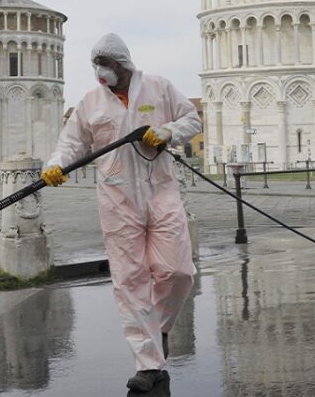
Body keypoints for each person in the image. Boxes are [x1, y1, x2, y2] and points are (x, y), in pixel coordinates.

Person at [41, 33, 201, 392]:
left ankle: (157, 327)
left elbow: (192, 120)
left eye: (107, 66)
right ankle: (148, 364)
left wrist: (167, 132)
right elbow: (71, 143)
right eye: (97, 66)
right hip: (117, 199)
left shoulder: (158, 88)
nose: (101, 73)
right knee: (130, 281)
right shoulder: (91, 102)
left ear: (122, 64)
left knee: (178, 271)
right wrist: (55, 165)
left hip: (160, 191)